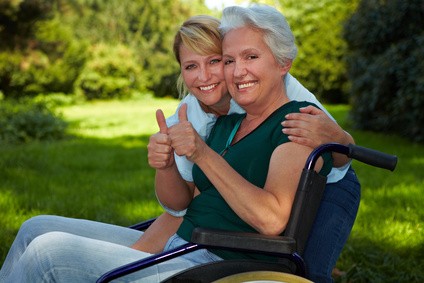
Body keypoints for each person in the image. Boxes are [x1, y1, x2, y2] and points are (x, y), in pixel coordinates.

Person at [0, 6, 359, 283]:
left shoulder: (298, 122)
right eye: (230, 60)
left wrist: (201, 153)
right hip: (181, 246)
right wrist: (168, 163)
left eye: (249, 58)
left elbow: (271, 219)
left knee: (47, 253)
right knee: (35, 226)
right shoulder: (221, 121)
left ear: (284, 64)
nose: (235, 72)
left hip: (210, 261)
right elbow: (183, 205)